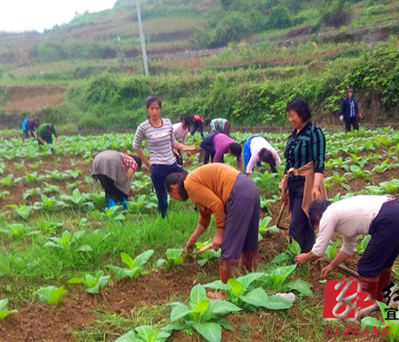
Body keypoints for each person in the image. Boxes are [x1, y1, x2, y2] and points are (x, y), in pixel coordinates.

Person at [294, 196, 399, 302]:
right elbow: (348, 249)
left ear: (317, 218)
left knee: (366, 266)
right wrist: (331, 265)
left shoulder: (328, 213)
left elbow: (319, 250)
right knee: (383, 262)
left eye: (318, 226)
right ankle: (380, 299)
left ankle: (366, 308)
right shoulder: (344, 214)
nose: (321, 228)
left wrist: (305, 257)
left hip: (391, 217)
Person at [164, 163, 259, 296]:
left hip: (236, 192)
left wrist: (219, 234)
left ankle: (224, 294)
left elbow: (216, 205)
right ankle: (248, 287)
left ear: (173, 189)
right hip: (249, 188)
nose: (175, 199)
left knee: (228, 253)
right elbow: (204, 219)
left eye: (171, 196)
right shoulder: (196, 182)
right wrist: (192, 241)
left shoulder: (190, 184)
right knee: (249, 247)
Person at [132, 96, 199, 218]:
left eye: (157, 108)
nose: (154, 112)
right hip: (157, 168)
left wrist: (189, 148)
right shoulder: (143, 127)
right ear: (147, 110)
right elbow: (136, 146)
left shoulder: (167, 123)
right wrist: (148, 164)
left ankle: (198, 209)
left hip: (172, 164)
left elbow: (174, 143)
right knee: (162, 198)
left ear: (160, 109)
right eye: (152, 108)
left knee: (191, 180)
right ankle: (162, 220)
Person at [280, 98, 327, 253]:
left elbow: (319, 161)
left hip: (306, 184)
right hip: (293, 185)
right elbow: (288, 164)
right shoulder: (292, 136)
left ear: (302, 114)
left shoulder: (315, 133)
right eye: (288, 116)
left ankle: (292, 261)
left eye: (292, 115)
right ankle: (309, 257)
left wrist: (315, 186)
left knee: (295, 225)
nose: (290, 119)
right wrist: (284, 188)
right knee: (306, 223)